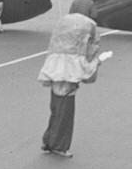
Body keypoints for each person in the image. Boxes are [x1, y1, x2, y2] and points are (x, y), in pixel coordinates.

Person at [38, 9, 107, 158]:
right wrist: (100, 60)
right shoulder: (76, 56)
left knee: (55, 112)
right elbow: (87, 69)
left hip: (56, 77)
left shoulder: (57, 52)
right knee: (65, 116)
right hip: (68, 85)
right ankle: (60, 146)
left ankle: (49, 140)